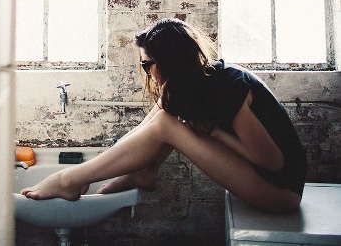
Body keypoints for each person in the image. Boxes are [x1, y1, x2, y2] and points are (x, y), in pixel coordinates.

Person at [21, 18, 307, 214]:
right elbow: (146, 127)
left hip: (279, 193)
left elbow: (271, 161)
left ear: (171, 62)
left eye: (148, 64)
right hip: (265, 181)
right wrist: (101, 166)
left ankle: (67, 180)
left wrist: (215, 132)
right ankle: (141, 172)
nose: (147, 72)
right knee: (165, 114)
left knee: (166, 122)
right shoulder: (196, 82)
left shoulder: (229, 87)